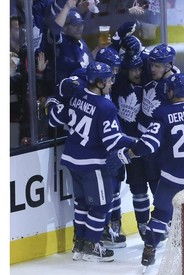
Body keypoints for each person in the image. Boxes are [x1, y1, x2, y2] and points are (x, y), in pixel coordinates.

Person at [106, 73, 184, 269]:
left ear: (174, 91)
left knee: (160, 215)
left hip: (173, 178)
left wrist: (126, 155)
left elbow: (148, 145)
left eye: (169, 89)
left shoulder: (163, 113)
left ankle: (149, 249)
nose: (166, 91)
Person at [48, 61, 135, 262]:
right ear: (98, 82)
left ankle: (79, 243)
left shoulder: (76, 95)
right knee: (101, 206)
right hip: (93, 163)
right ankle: (92, 244)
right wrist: (137, 142)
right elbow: (111, 140)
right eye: (108, 79)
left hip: (72, 158)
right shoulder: (106, 106)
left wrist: (51, 101)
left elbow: (54, 118)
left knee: (82, 204)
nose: (111, 82)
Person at [110, 54, 154, 241]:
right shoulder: (118, 85)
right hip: (129, 148)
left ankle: (162, 223)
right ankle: (142, 224)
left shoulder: (149, 86)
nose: (137, 72)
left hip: (149, 146)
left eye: (140, 68)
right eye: (133, 69)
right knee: (137, 187)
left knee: (156, 185)